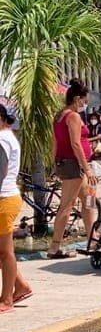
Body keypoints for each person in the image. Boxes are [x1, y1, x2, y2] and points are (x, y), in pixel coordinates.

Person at [49, 79, 98, 259]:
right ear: (78, 98)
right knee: (66, 206)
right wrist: (87, 169)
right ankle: (54, 247)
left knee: (90, 198)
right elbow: (76, 144)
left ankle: (93, 238)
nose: (85, 105)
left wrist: (54, 163)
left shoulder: (59, 115)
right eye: (85, 101)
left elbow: (54, 142)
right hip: (74, 164)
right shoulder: (73, 116)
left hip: (67, 162)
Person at [0, 106, 31, 313]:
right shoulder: (7, 136)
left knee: (5, 252)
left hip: (3, 198)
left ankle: (7, 299)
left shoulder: (2, 139)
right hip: (7, 196)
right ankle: (20, 287)